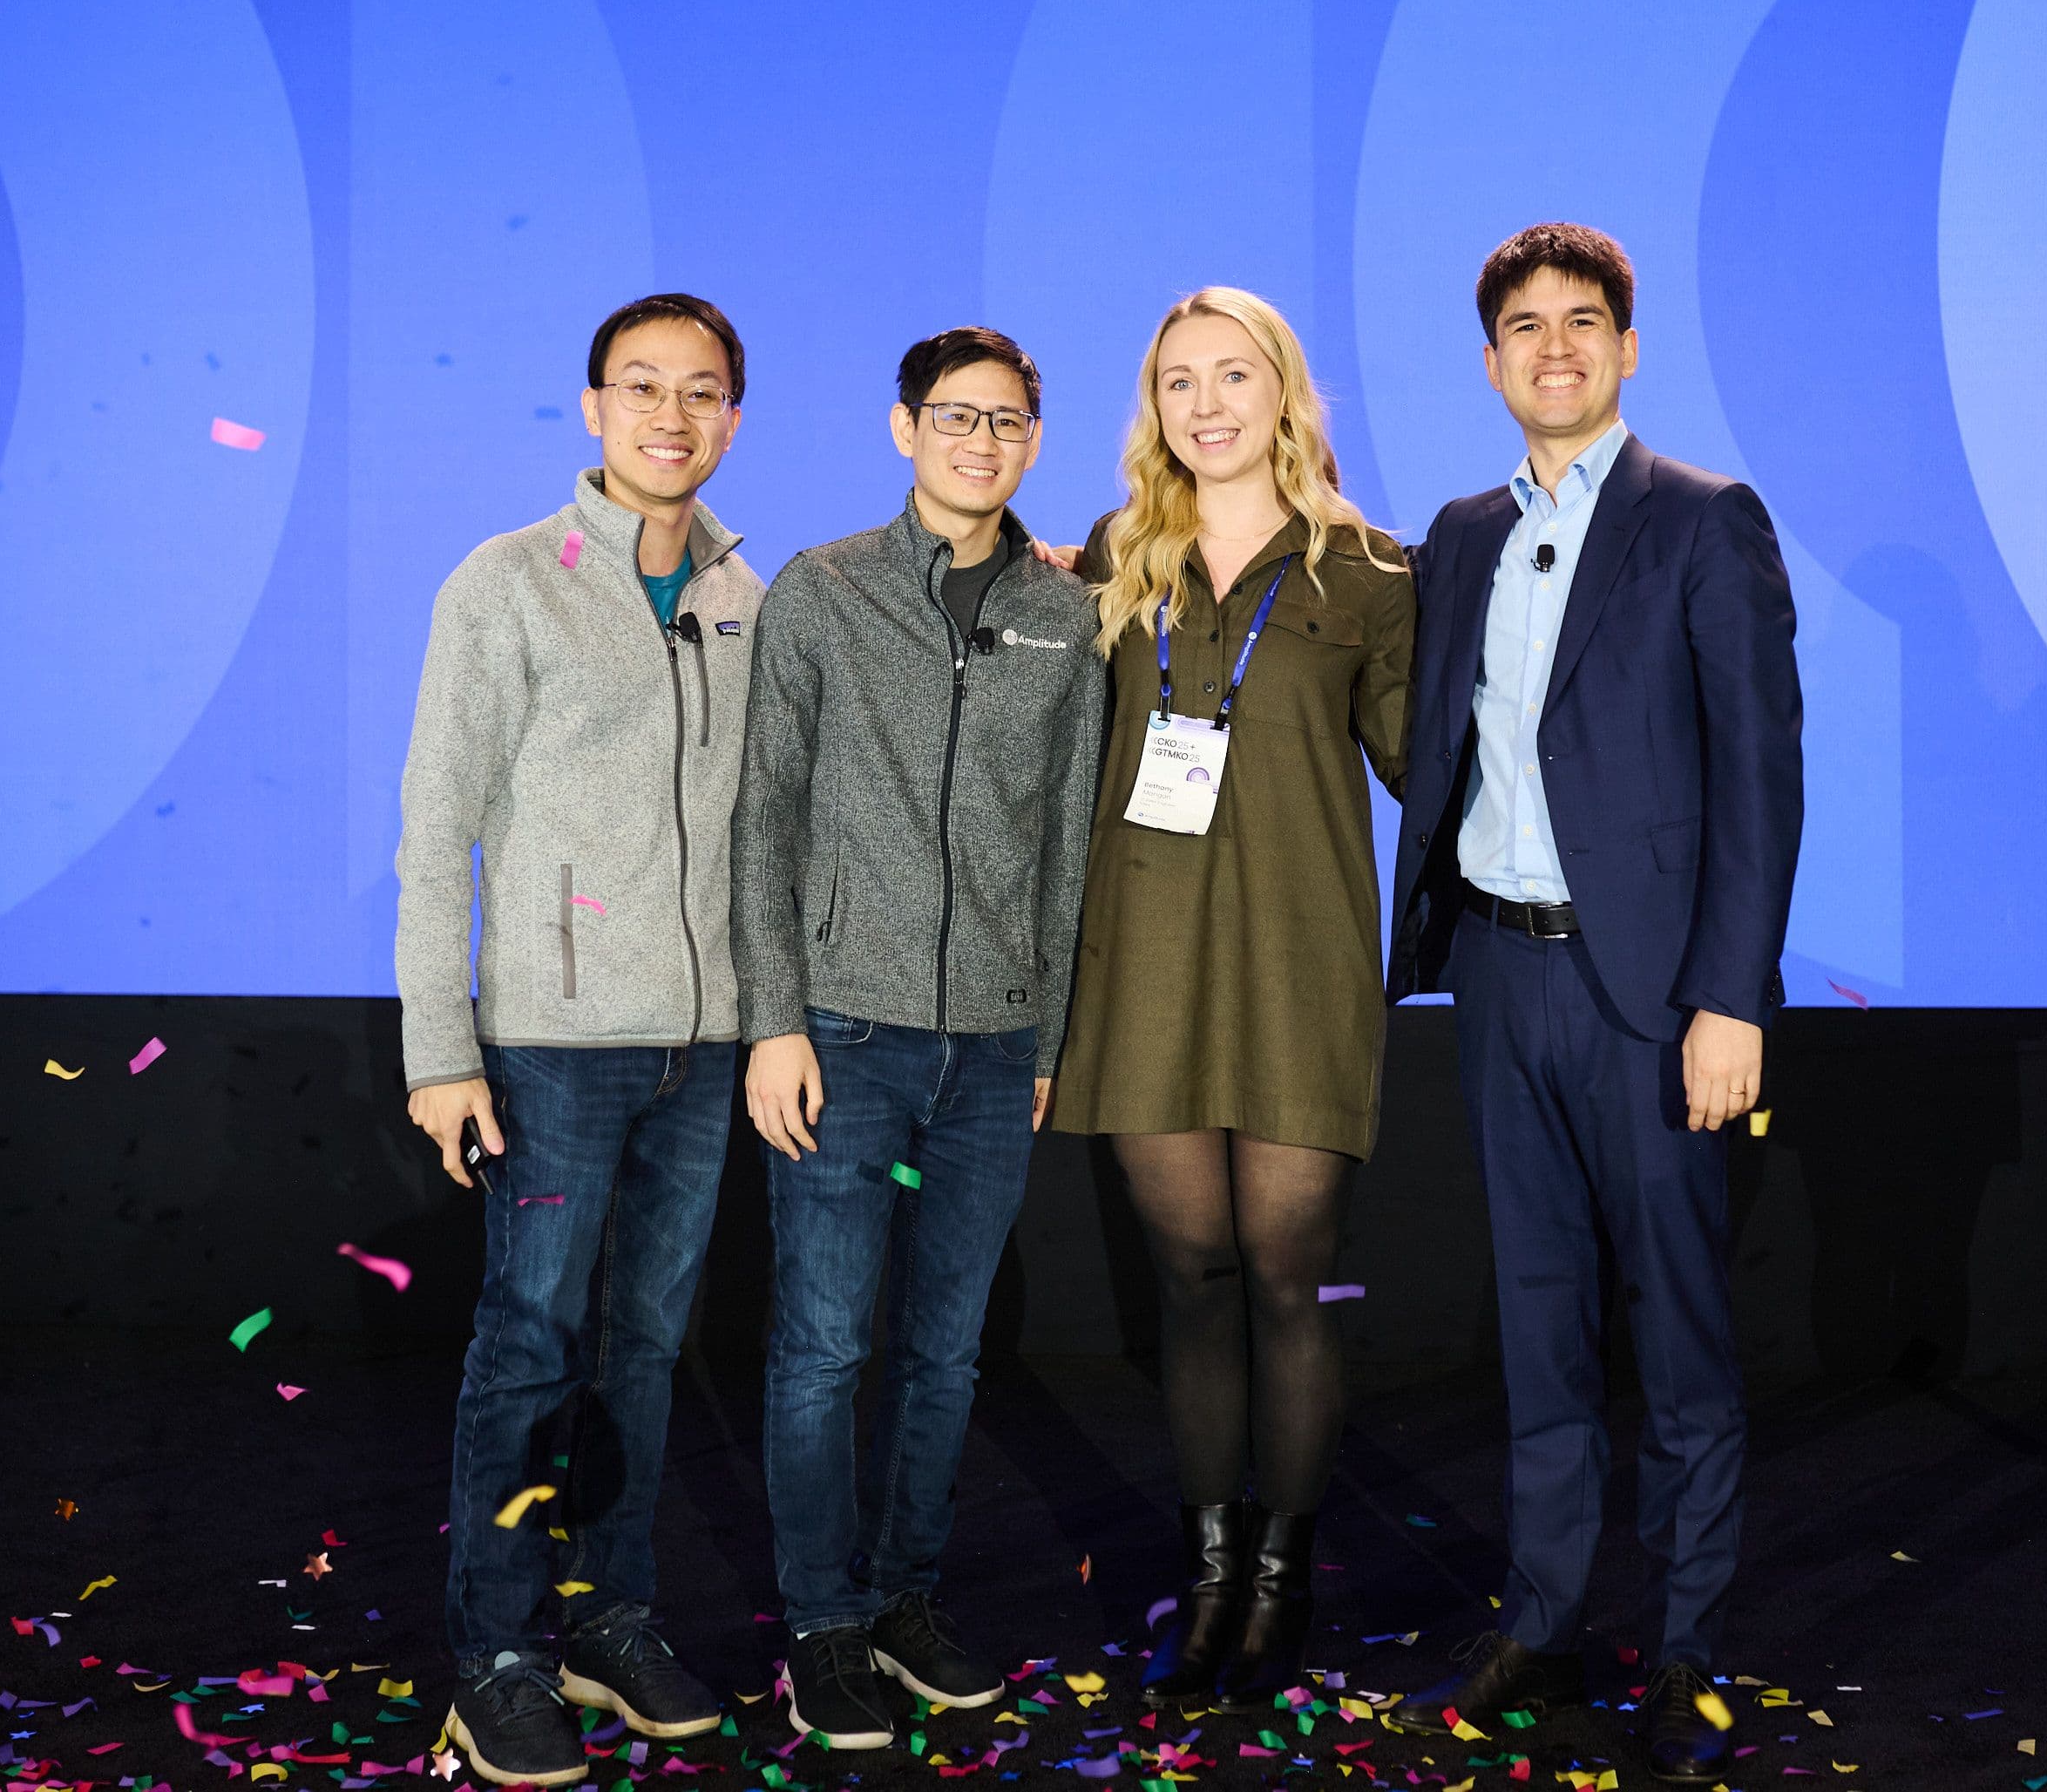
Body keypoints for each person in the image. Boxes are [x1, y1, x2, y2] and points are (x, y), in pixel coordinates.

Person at [1381, 225, 1802, 1788]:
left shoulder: (1704, 522)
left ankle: (1686, 1640)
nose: (1552, 348)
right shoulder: (1460, 533)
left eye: (1581, 324)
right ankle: (1544, 1617)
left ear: (1625, 349)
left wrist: (1730, 996)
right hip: (1500, 973)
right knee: (1540, 1329)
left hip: (1654, 1000)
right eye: (1522, 327)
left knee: (1678, 1332)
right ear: (1490, 362)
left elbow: (1761, 778)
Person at [396, 294, 766, 1785]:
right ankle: (493, 1650)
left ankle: (611, 1615)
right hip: (549, 1041)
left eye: (703, 392)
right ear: (594, 407)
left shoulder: (752, 594)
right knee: (528, 1345)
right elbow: (439, 832)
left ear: (734, 415)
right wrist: (441, 1046)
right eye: (643, 388)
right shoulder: (508, 583)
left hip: (706, 1042)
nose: (671, 416)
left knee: (649, 1346)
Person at [731, 327, 1108, 1749]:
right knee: (825, 1344)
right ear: (904, 429)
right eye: (955, 416)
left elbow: (1066, 843)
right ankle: (821, 1625)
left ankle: (905, 1598)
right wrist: (774, 1019)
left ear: (1033, 439)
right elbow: (763, 817)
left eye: (1009, 421)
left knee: (945, 1353)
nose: (981, 441)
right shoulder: (821, 592)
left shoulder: (1068, 614)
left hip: (998, 1041)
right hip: (844, 1024)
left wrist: (1055, 1036)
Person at [1046, 288, 1413, 1705]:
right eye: (1177, 381)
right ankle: (1210, 1569)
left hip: (1302, 965)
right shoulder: (1112, 562)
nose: (1207, 403)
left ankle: (1284, 1577)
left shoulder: (1371, 569)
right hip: (1143, 967)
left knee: (1284, 1276)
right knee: (1190, 1283)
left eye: (1233, 375)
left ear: (1285, 391)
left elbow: (1420, 763)